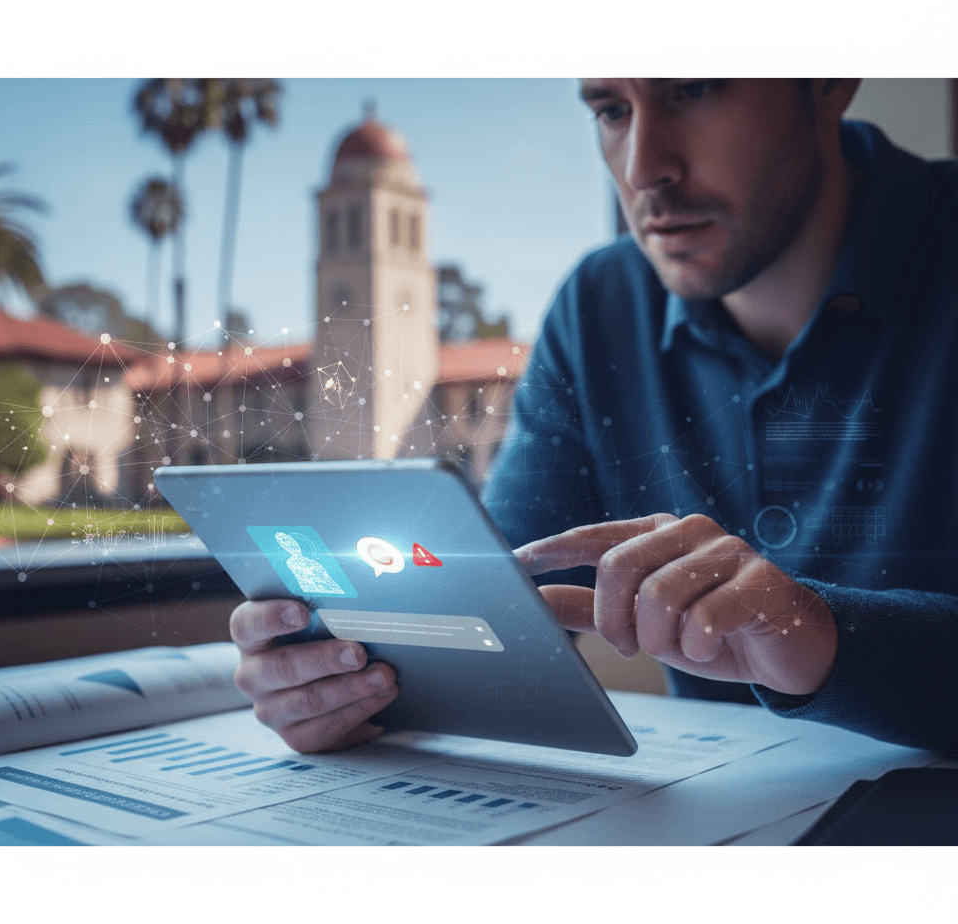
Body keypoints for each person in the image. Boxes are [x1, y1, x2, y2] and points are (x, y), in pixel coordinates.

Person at [231, 79, 958, 755]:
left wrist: (829, 639)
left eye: (691, 89)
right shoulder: (599, 307)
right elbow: (496, 609)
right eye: (611, 109)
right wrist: (353, 684)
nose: (644, 167)